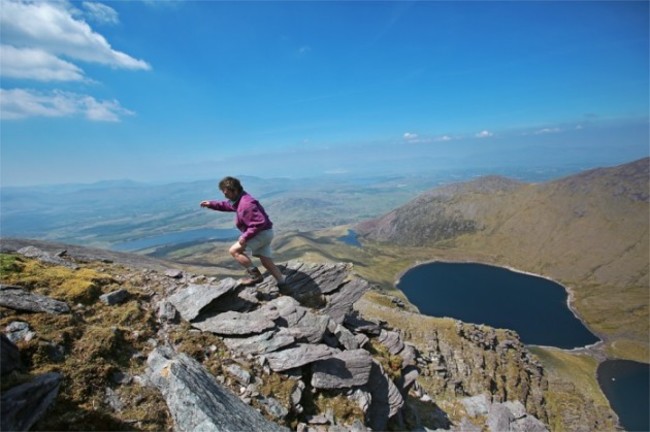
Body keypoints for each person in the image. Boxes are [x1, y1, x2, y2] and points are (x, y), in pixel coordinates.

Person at [200, 176, 286, 287]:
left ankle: (256, 276)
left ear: (234, 190)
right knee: (266, 260)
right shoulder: (239, 199)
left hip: (261, 233)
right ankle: (283, 283)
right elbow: (228, 205)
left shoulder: (246, 204)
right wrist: (211, 204)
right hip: (266, 232)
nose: (224, 195)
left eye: (226, 192)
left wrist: (245, 236)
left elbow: (259, 222)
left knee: (234, 251)